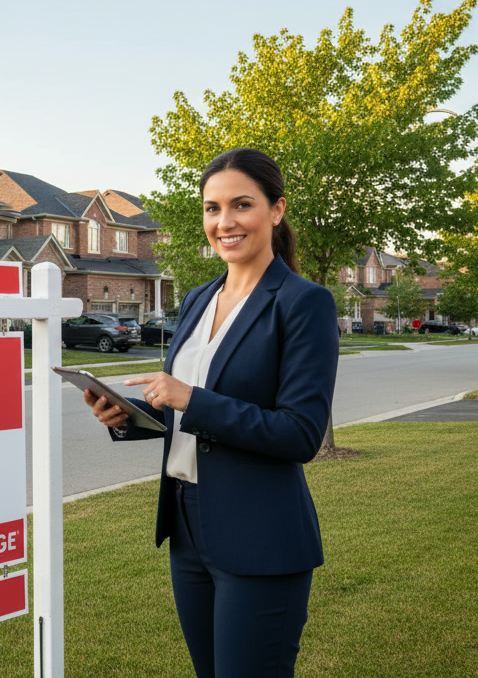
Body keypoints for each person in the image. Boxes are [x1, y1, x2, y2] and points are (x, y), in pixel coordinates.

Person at [85, 147, 338, 677]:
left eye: (241, 205)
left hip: (260, 534)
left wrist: (190, 400)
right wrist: (130, 414)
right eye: (212, 208)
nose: (224, 222)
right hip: (188, 527)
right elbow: (190, 404)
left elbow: (300, 435)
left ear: (276, 210)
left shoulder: (302, 302)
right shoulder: (200, 297)